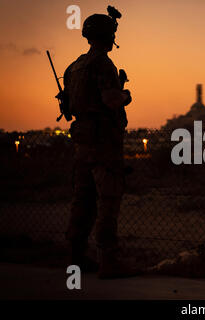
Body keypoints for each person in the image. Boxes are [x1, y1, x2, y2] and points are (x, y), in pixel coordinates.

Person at [64, 13, 136, 279]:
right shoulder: (102, 64)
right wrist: (126, 95)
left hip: (82, 143)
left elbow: (70, 104)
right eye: (112, 33)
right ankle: (109, 262)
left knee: (82, 201)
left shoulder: (75, 66)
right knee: (108, 200)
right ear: (107, 36)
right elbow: (111, 100)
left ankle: (76, 257)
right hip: (103, 144)